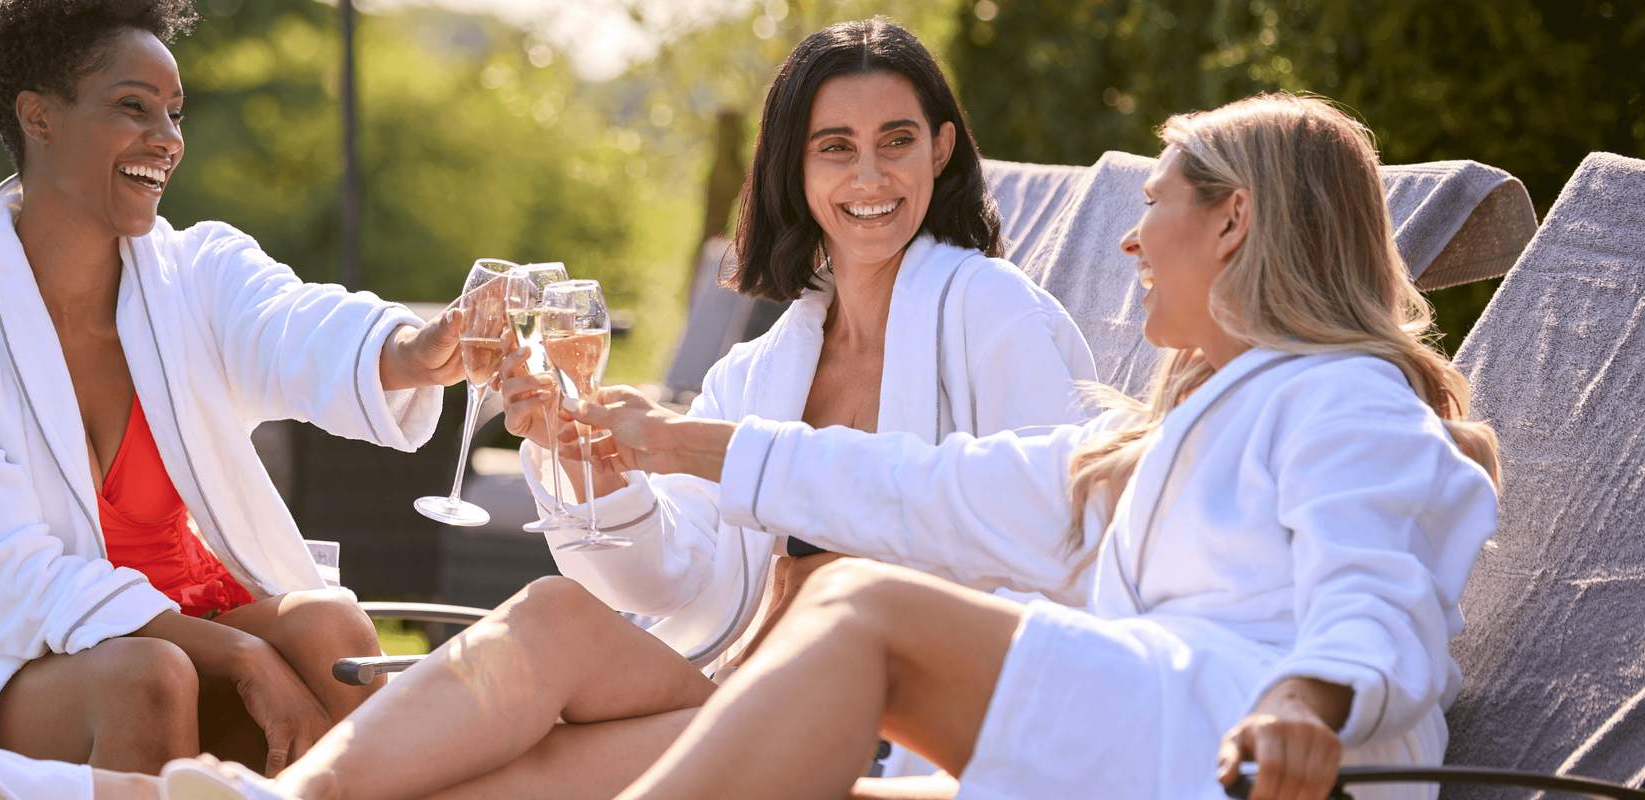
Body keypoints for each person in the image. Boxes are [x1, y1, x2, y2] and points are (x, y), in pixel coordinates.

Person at [65, 16, 1096, 800]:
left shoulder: (996, 317)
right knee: (555, 619)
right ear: (795, 166)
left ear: (944, 151)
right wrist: (591, 460)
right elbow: (673, 581)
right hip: (737, 677)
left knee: (516, 776)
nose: (869, 175)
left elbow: (1054, 529)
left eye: (896, 141)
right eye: (836, 146)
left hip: (882, 720)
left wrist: (685, 442)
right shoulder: (769, 365)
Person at [567, 93, 1502, 800]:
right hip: (1161, 736)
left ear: (1233, 219)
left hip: (1248, 748)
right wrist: (681, 441)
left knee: (861, 600)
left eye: (1154, 204)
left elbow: (1379, 592)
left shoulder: (1348, 397)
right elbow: (926, 487)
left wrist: (1308, 699)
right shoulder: (1165, 439)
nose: (1131, 242)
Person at [0, 2, 466, 798]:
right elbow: (12, 588)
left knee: (331, 632)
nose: (167, 138)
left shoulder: (196, 274)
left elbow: (295, 322)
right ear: (38, 117)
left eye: (174, 113)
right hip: (17, 658)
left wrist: (416, 351)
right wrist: (239, 655)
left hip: (195, 614)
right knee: (151, 676)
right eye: (132, 107)